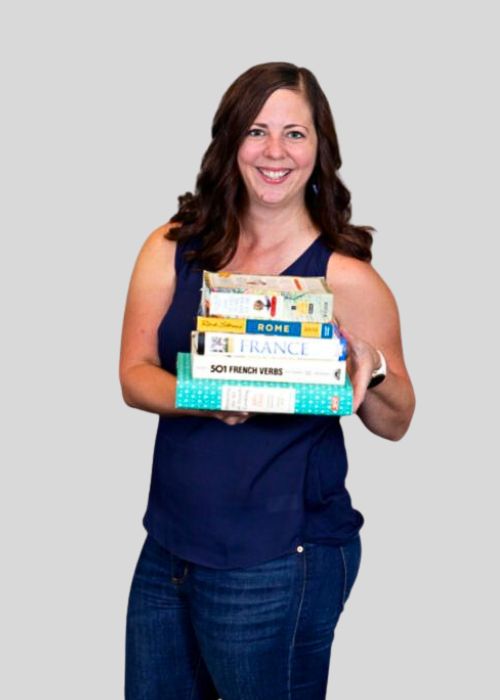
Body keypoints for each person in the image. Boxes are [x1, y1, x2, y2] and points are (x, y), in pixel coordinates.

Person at [119, 62, 415, 700]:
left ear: (320, 150)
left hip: (282, 557)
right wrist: (210, 398)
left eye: (295, 134)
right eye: (257, 131)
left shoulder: (346, 279)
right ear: (230, 143)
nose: (275, 151)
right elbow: (135, 376)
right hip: (169, 548)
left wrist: (374, 364)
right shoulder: (172, 246)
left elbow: (396, 420)